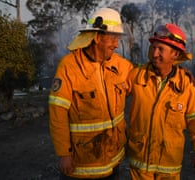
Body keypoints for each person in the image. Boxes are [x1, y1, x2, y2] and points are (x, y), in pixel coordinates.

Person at [48, 8, 133, 179]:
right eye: (113, 38)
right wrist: (64, 154)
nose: (116, 44)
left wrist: (177, 72)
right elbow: (58, 114)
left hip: (112, 160)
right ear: (97, 37)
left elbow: (143, 78)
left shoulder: (121, 65)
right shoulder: (69, 67)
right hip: (82, 166)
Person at [126, 23, 195, 180]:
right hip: (140, 166)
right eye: (153, 47)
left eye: (161, 49)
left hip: (169, 167)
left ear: (175, 55)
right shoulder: (136, 76)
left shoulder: (185, 85)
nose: (154, 54)